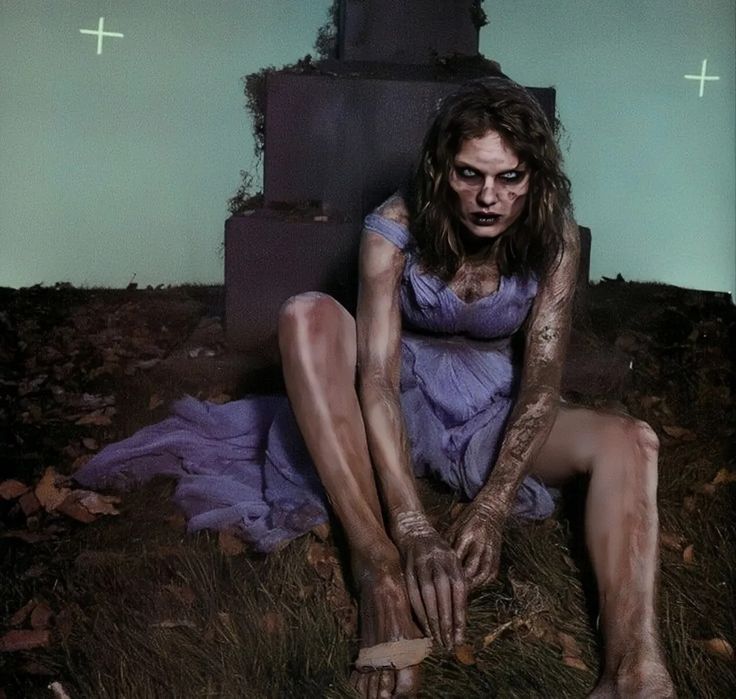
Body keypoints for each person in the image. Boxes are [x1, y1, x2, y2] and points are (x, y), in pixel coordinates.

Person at [276, 77, 675, 698]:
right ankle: (377, 574)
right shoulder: (393, 225)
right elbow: (376, 380)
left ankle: (635, 668)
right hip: (395, 399)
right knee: (306, 313)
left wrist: (492, 504)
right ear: (442, 170)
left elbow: (542, 383)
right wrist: (407, 528)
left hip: (492, 405)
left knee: (634, 440)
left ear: (535, 177)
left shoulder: (556, 238)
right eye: (469, 174)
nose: (489, 197)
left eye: (510, 178)